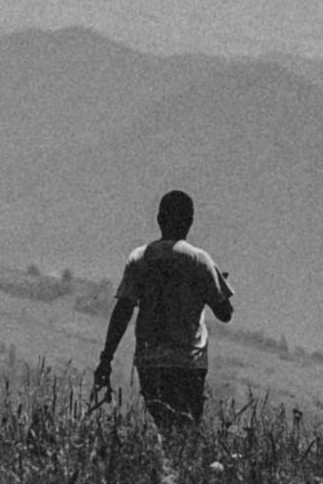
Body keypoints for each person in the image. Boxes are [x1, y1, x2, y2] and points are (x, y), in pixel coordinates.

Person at [92, 187, 233, 439]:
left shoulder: (139, 259)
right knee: (187, 435)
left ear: (159, 219)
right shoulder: (200, 261)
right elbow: (224, 313)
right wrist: (213, 283)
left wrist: (106, 358)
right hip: (189, 363)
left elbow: (123, 311)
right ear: (190, 222)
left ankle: (167, 474)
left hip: (151, 362)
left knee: (166, 431)